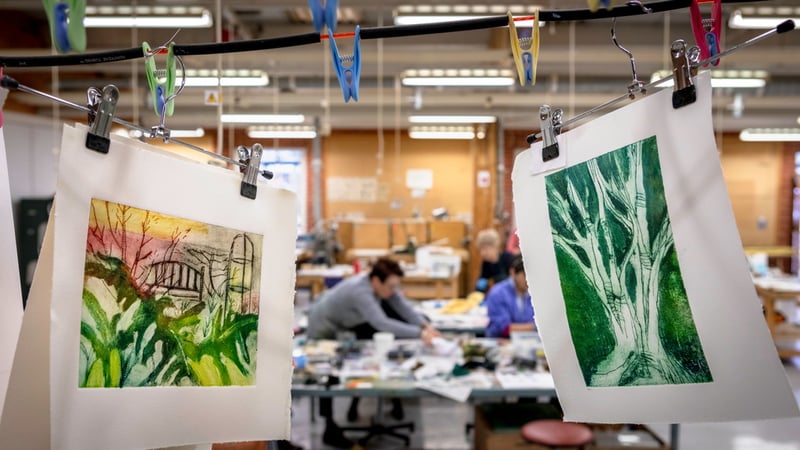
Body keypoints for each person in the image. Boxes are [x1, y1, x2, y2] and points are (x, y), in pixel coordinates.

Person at [307, 257, 440, 448]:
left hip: (347, 323)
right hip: (324, 327)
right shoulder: (360, 291)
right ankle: (329, 426)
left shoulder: (382, 285)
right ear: (377, 281)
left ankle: (383, 398)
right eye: (391, 286)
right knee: (328, 373)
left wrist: (426, 325)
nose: (393, 290)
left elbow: (403, 307)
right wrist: (420, 334)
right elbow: (381, 322)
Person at [485, 255, 535, 338]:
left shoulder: (533, 294)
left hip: (529, 343)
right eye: (524, 275)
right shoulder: (498, 293)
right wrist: (535, 327)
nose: (529, 280)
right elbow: (505, 329)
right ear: (513, 272)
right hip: (500, 343)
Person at [475, 228, 514, 293]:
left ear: (495, 246)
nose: (482, 253)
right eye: (480, 250)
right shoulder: (486, 263)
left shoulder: (508, 258)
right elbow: (482, 280)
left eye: (485, 249)